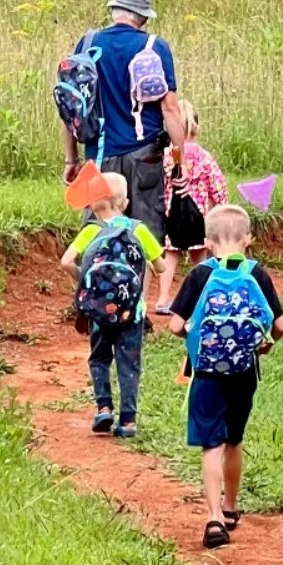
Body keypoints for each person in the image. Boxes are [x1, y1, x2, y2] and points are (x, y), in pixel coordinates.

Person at [163, 203, 283, 550]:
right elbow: (280, 325)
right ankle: (232, 507)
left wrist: (195, 340)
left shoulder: (201, 274)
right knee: (234, 440)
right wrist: (264, 346)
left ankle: (214, 517)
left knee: (211, 444)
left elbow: (174, 325)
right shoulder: (257, 273)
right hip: (244, 371)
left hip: (206, 373)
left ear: (208, 241)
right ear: (248, 239)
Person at [60, 0, 185, 258]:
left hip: (99, 155)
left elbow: (72, 107)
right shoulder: (154, 47)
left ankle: (97, 293)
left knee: (97, 232)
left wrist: (71, 160)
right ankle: (137, 298)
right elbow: (170, 109)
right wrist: (180, 161)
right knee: (145, 234)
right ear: (142, 17)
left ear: (115, 10)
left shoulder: (88, 43)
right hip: (145, 155)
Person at [61, 170, 164, 438]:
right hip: (133, 312)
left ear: (92, 204)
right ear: (125, 203)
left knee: (100, 358)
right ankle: (128, 421)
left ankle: (104, 408)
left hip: (98, 311)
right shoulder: (138, 229)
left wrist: (85, 284)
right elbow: (161, 267)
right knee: (129, 363)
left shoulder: (91, 231)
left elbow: (66, 262)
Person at [156, 100, 228, 311]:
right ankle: (202, 298)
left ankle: (162, 299)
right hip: (199, 217)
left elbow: (160, 183)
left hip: (172, 214)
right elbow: (217, 185)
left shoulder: (168, 156)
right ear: (196, 127)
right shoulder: (204, 157)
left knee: (170, 256)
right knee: (201, 258)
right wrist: (222, 205)